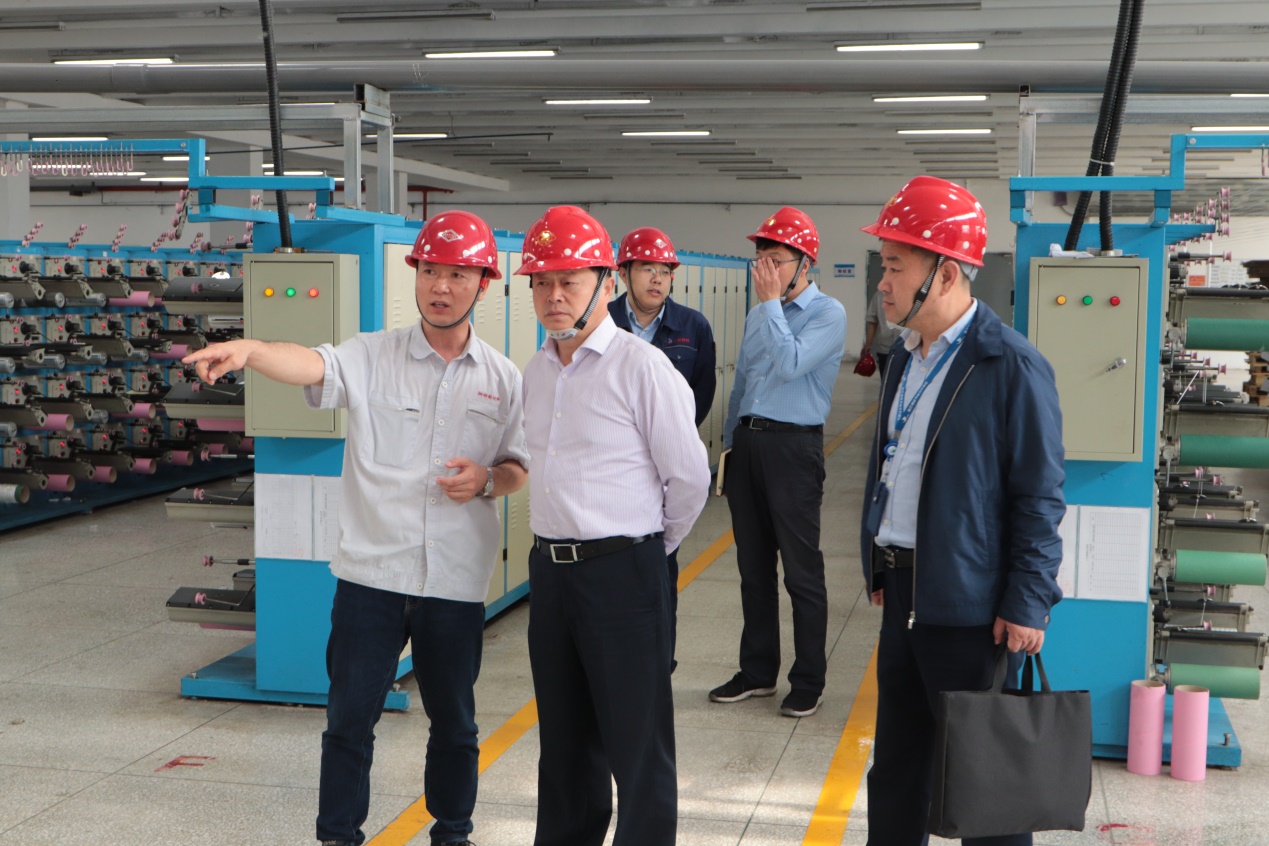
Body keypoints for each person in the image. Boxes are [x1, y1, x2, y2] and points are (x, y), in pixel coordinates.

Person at [183, 210, 530, 846]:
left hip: (454, 583)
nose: (441, 286)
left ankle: (453, 834)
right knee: (348, 722)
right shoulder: (372, 355)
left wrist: (486, 480)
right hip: (371, 579)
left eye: (458, 274)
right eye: (430, 271)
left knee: (455, 725)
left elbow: (516, 469)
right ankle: (338, 836)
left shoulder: (503, 379)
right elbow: (310, 363)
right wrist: (252, 350)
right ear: (415, 275)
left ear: (484, 283)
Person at [857, 176, 1064, 846]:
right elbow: (892, 467)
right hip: (905, 592)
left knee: (984, 784)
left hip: (973, 610)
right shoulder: (903, 360)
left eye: (895, 266)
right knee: (898, 770)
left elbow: (1038, 494)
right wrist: (881, 564)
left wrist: (1027, 600)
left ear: (945, 273)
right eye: (883, 265)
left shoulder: (1009, 365)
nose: (883, 283)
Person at [518, 205, 711, 846]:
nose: (554, 295)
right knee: (564, 743)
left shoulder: (641, 367)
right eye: (542, 282)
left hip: (623, 573)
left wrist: (644, 551)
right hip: (551, 575)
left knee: (637, 743)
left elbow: (689, 479)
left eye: (569, 281)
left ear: (605, 282)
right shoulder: (537, 370)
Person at [709, 206, 846, 719]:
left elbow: (790, 364)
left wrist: (769, 304)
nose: (764, 269)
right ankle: (757, 672)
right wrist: (728, 451)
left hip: (794, 449)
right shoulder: (757, 316)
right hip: (749, 447)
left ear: (805, 263)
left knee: (801, 573)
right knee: (753, 569)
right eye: (760, 259)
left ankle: (808, 679)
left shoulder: (828, 313)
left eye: (776, 260)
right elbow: (742, 385)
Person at [608, 225, 716, 668]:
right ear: (623, 273)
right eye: (646, 268)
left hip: (664, 470)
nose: (657, 278)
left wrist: (669, 443)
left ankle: (658, 664)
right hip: (609, 470)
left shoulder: (693, 326)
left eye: (665, 270)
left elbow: (702, 393)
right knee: (607, 570)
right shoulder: (600, 321)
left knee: (659, 569)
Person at [862, 286, 904, 375]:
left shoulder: (910, 294)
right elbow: (872, 322)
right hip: (885, 348)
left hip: (906, 348)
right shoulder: (879, 296)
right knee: (886, 378)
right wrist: (868, 345)